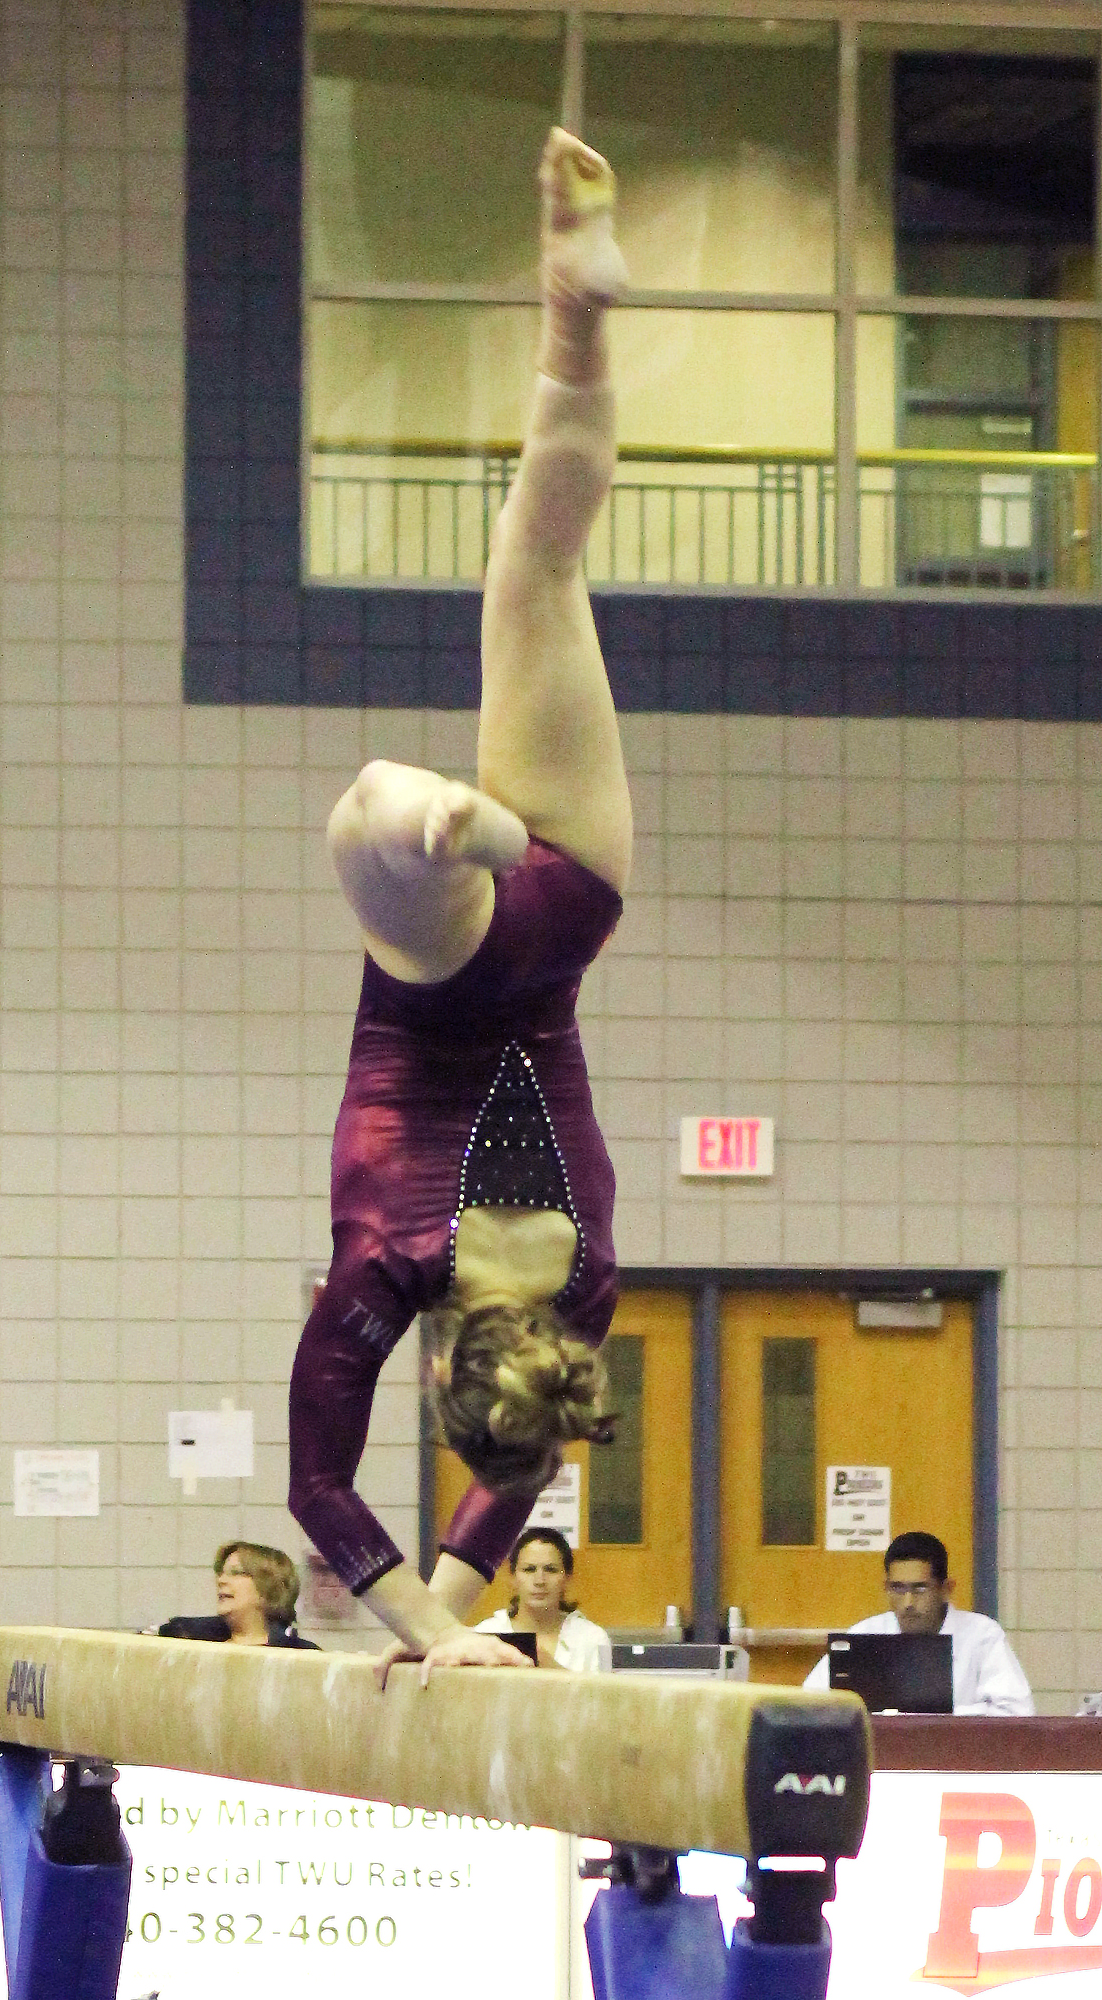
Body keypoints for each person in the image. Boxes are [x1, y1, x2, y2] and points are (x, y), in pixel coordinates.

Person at [289, 128, 632, 1676]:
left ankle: (577, 313)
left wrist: (449, 1619)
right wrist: (422, 1623)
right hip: (452, 967)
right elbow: (315, 1486)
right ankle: (439, 822)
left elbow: (525, 1465)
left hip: (567, 909)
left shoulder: (587, 1292)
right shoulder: (382, 1268)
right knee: (370, 809)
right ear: (441, 1370)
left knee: (539, 572)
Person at [803, 1530, 1034, 1716]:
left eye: (920, 1589)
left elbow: (1017, 1713)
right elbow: (809, 1704)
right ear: (886, 1588)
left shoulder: (981, 1635)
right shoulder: (865, 1634)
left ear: (946, 1589)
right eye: (897, 1588)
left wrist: (935, 1717)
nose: (908, 1603)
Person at [475, 1527, 611, 1670]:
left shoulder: (597, 1639)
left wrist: (555, 1672)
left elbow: (611, 1692)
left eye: (551, 1570)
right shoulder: (484, 1635)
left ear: (567, 1578)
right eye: (529, 1569)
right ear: (513, 1577)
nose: (539, 1581)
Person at [157, 1543, 319, 1650]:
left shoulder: (303, 1656)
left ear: (269, 1590)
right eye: (221, 1573)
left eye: (236, 1573)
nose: (221, 1580)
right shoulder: (182, 1640)